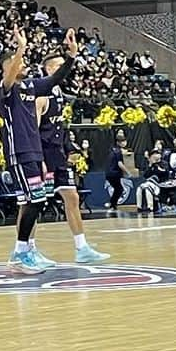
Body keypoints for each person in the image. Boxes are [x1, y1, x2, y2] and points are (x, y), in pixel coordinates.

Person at [0, 26, 80, 274]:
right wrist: (20, 48)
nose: (23, 65)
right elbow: (12, 73)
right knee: (34, 199)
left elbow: (56, 79)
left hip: (34, 152)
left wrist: (72, 57)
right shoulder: (6, 88)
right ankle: (20, 253)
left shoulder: (31, 87)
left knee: (36, 200)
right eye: (17, 62)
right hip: (18, 152)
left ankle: (24, 251)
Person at [35, 47, 108, 263]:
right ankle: (26, 249)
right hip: (43, 155)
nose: (63, 71)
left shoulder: (60, 95)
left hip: (57, 154)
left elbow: (61, 127)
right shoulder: (41, 96)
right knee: (33, 203)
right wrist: (38, 159)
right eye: (58, 67)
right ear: (48, 70)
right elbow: (33, 131)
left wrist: (69, 148)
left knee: (72, 197)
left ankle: (81, 247)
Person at [104, 135, 126, 213]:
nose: (124, 143)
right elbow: (120, 164)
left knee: (118, 189)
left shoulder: (113, 150)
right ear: (118, 142)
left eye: (124, 141)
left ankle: (112, 204)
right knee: (119, 189)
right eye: (122, 141)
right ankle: (112, 205)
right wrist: (127, 172)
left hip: (109, 173)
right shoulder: (118, 151)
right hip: (114, 174)